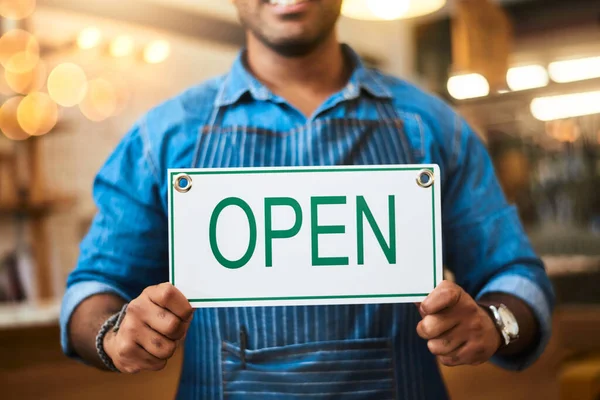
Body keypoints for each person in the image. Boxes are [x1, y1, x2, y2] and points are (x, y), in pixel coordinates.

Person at [61, 0, 555, 399]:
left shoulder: (434, 126)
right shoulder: (161, 137)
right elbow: (93, 290)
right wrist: (112, 333)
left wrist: (496, 323)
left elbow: (515, 274)